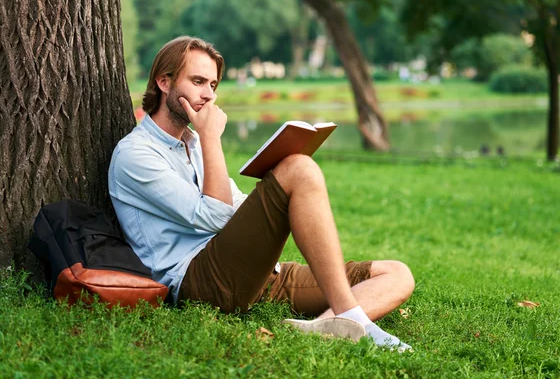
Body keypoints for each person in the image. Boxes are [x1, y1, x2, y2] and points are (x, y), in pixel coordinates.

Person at [108, 36, 415, 351]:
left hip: (254, 274)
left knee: (396, 274)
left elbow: (235, 204)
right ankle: (352, 316)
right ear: (164, 82)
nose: (208, 96)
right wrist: (212, 138)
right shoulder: (136, 154)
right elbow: (216, 216)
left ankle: (324, 326)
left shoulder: (192, 143)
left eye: (213, 85)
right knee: (300, 168)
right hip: (201, 282)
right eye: (198, 81)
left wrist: (265, 197)